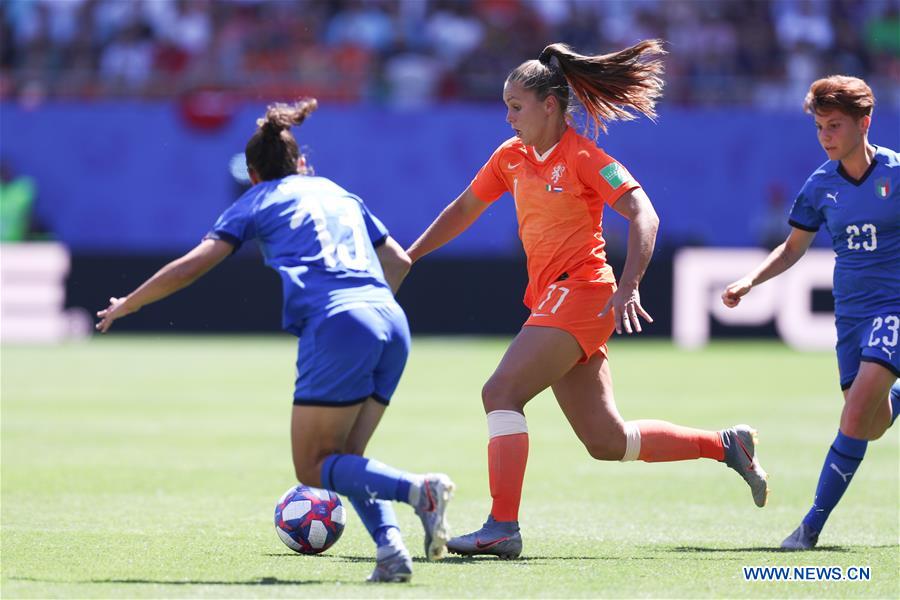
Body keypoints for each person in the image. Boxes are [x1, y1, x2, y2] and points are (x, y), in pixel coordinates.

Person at [406, 41, 769, 559]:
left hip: (583, 291)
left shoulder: (583, 157)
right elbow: (465, 207)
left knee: (500, 392)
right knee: (607, 442)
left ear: (549, 106)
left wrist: (629, 285)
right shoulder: (510, 157)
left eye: (516, 106)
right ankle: (726, 445)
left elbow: (645, 216)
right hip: (555, 299)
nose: (507, 117)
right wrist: (412, 255)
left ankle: (502, 526)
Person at [95, 99, 455, 582]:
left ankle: (419, 490)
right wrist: (369, 312)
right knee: (344, 458)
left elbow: (194, 263)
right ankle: (391, 551)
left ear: (253, 172)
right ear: (302, 163)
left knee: (313, 466)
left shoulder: (256, 200)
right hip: (391, 321)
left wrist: (131, 302)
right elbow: (400, 262)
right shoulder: (339, 193)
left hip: (338, 324)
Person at [722, 75, 900, 550]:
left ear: (865, 123)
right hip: (853, 314)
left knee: (857, 411)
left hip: (895, 308)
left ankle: (810, 527)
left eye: (834, 125)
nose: (825, 135)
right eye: (820, 126)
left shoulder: (897, 175)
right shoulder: (820, 185)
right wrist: (751, 280)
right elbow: (793, 247)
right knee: (868, 421)